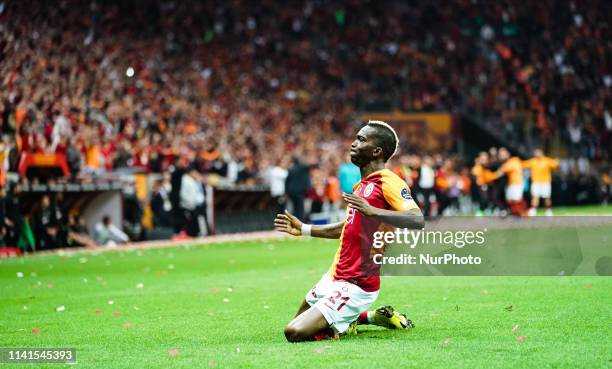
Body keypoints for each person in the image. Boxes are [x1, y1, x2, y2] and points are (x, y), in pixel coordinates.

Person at [274, 121, 424, 342]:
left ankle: (344, 324)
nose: (353, 143)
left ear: (377, 151)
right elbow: (348, 227)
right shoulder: (360, 186)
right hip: (335, 275)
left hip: (357, 283)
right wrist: (304, 229)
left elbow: (417, 219)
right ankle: (370, 317)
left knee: (294, 332)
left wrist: (373, 211)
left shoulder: (389, 182)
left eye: (361, 139)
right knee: (299, 320)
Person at [522, 149, 559, 216]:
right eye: (535, 153)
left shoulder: (547, 160)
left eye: (538, 153)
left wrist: (557, 162)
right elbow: (523, 165)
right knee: (535, 197)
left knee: (546, 197)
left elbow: (555, 165)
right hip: (536, 182)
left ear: (542, 153)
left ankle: (548, 210)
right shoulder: (532, 161)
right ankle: (533, 210)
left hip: (545, 182)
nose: (536, 154)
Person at [495, 148, 525, 216]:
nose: (501, 156)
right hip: (511, 183)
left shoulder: (513, 161)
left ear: (508, 154)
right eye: (500, 154)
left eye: (503, 154)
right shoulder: (507, 162)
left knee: (517, 199)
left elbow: (501, 171)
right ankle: (515, 213)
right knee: (510, 199)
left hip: (516, 183)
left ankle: (522, 213)